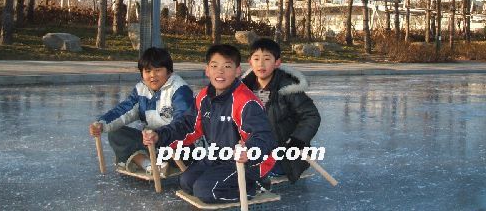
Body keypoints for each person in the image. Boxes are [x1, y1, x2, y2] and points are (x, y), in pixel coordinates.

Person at [143, 44, 276, 204]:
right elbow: (187, 125)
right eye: (214, 66)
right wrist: (159, 135)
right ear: (207, 70)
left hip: (248, 163)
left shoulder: (245, 101)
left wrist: (250, 151)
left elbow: (264, 136)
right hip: (218, 156)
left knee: (205, 190)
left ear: (237, 70)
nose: (220, 72)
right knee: (186, 182)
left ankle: (255, 185)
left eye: (227, 66)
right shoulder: (204, 96)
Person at [89, 47, 193, 174]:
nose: (152, 76)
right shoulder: (141, 90)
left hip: (178, 144)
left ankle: (151, 162)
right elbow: (124, 110)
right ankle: (150, 165)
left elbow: (184, 124)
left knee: (181, 149)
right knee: (116, 133)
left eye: (158, 70)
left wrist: (159, 135)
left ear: (169, 72)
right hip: (152, 143)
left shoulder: (180, 90)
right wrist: (102, 123)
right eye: (148, 71)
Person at [242, 38, 321, 183]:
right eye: (256, 58)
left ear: (277, 62)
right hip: (254, 149)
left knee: (251, 172)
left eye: (267, 59)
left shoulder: (287, 89)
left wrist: (297, 141)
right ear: (250, 62)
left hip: (285, 154)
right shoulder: (243, 90)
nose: (261, 64)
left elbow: (311, 116)